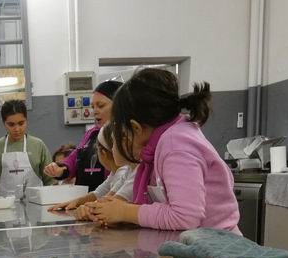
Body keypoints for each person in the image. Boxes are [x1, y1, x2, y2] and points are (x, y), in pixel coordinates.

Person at [88, 68, 240, 233]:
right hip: (197, 243)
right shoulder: (164, 143)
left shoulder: (176, 145)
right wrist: (120, 211)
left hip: (215, 248)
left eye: (124, 134)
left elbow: (185, 216)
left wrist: (126, 212)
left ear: (135, 128)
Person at [44, 80, 123, 190]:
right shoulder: (91, 134)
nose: (95, 111)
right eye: (93, 106)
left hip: (112, 197)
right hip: (86, 198)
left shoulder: (124, 136)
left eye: (100, 106)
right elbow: (75, 157)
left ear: (118, 106)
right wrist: (61, 169)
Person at [49, 123, 136, 220]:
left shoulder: (124, 171)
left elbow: (111, 203)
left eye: (115, 143)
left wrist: (87, 209)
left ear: (102, 153)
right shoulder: (120, 171)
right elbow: (99, 193)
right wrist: (76, 202)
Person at [0, 100, 54, 198]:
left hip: (35, 205)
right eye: (11, 125)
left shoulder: (38, 146)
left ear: (26, 120)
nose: (17, 129)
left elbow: (49, 181)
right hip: (5, 207)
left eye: (21, 123)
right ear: (4, 123)